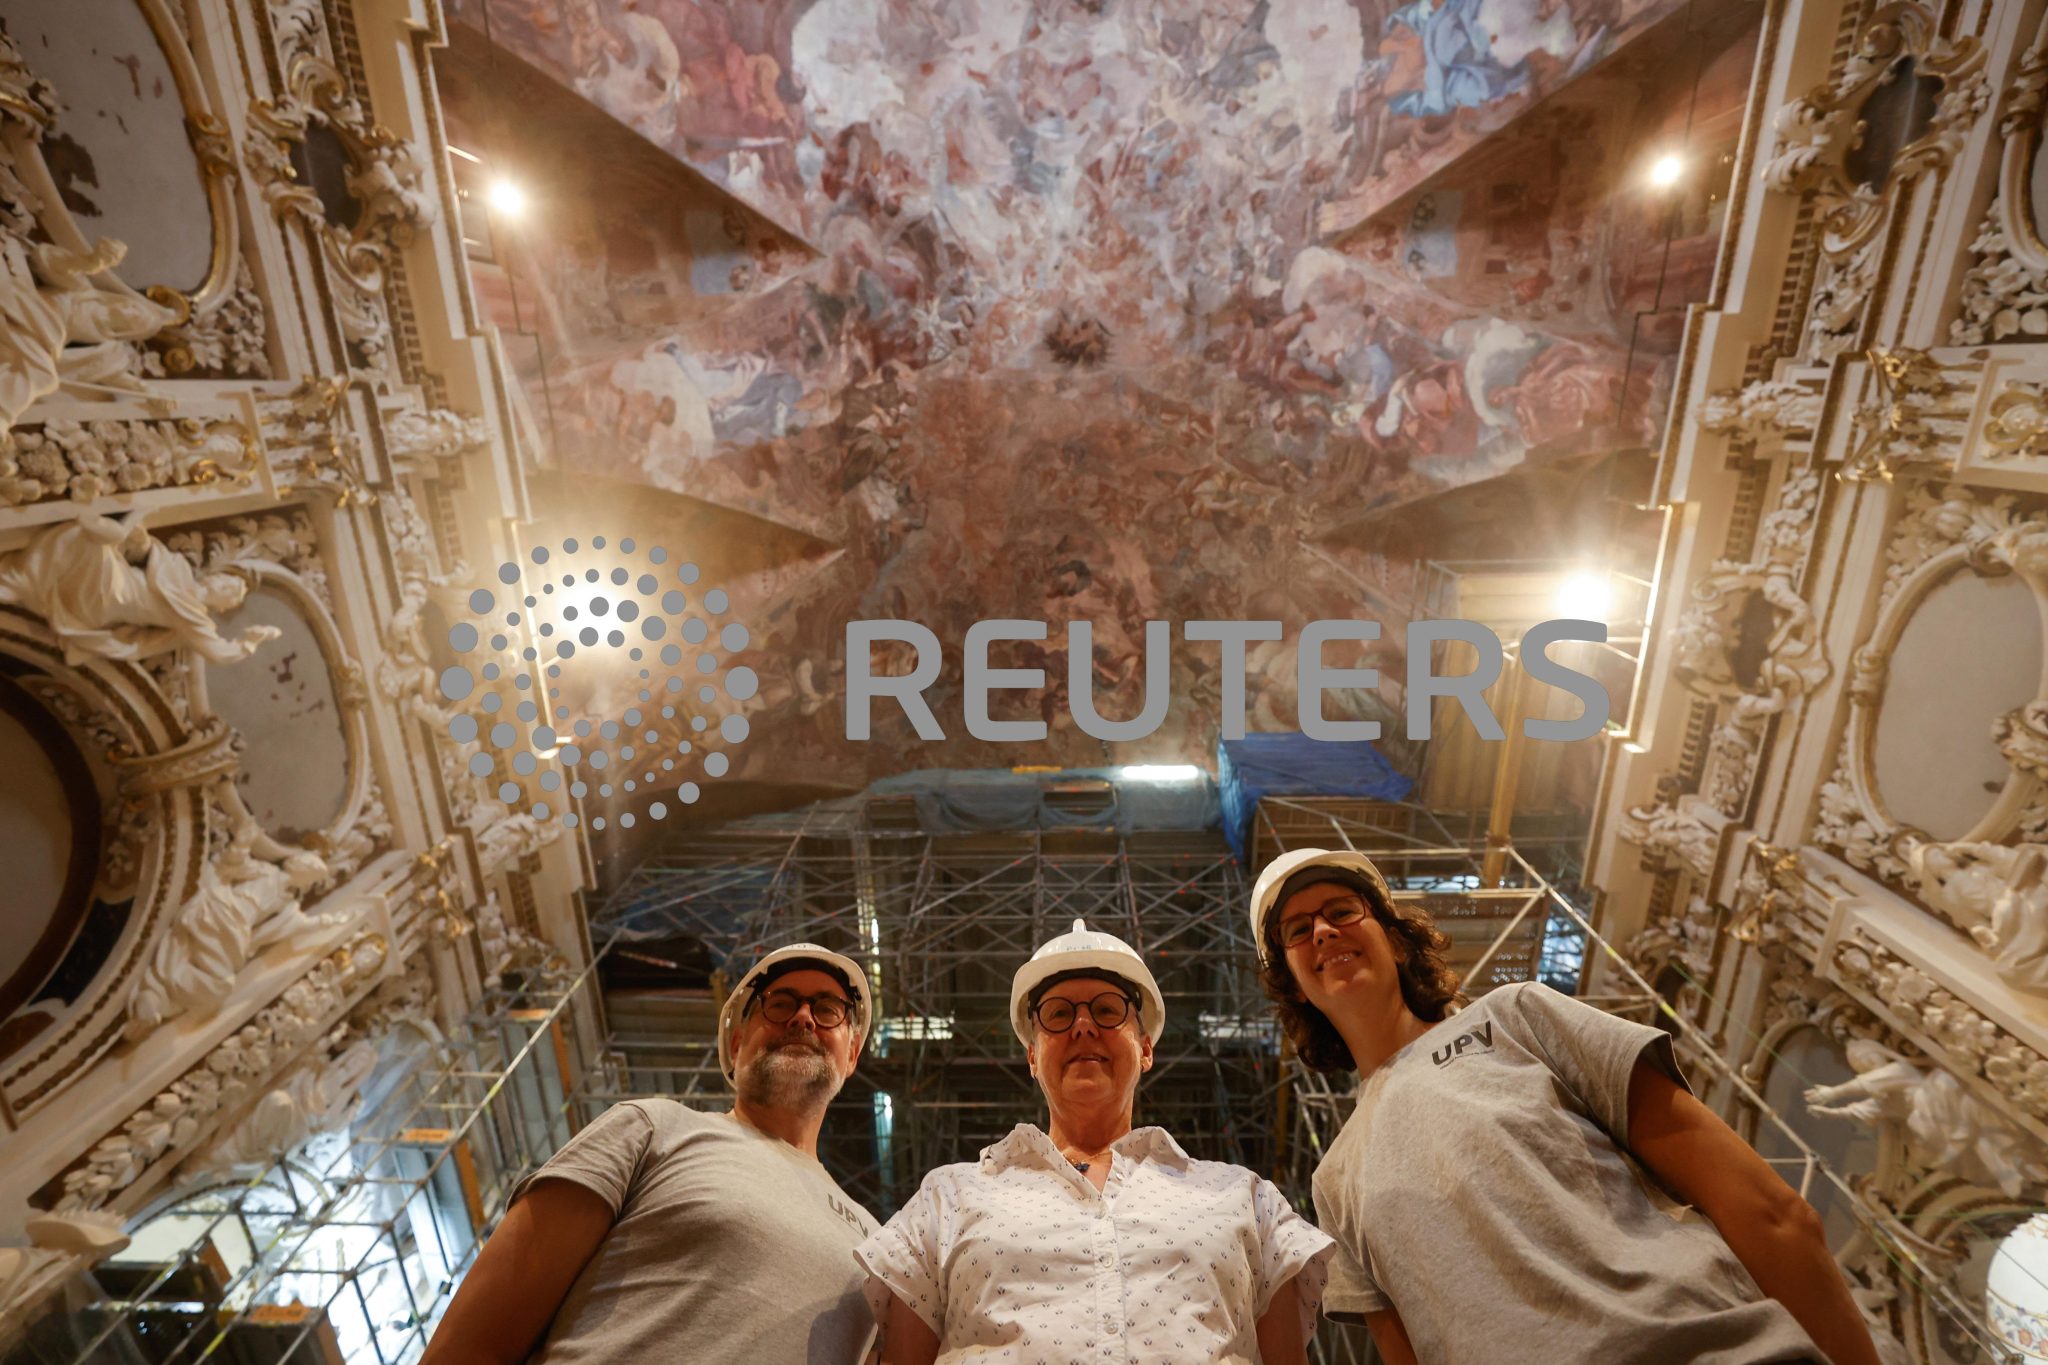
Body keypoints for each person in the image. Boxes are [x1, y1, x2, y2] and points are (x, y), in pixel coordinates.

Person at [1250, 847, 1884, 1365]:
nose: (1324, 931)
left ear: (1394, 941)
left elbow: (1769, 1211)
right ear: (1294, 985)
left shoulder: (1518, 1017)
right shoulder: (1334, 1180)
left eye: (1342, 910)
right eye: (1299, 931)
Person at [858, 918, 1332, 1364]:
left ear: (1145, 1049)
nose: (1083, 1026)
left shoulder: (1246, 1198)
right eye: (1058, 1014)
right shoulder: (947, 1199)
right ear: (1032, 1057)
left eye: (1107, 1010)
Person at [420, 943, 881, 1364]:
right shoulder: (655, 1127)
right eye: (780, 1004)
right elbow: (475, 1342)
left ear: (852, 1055)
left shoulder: (878, 1243)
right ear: (737, 1043)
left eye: (827, 1009)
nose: (803, 1018)